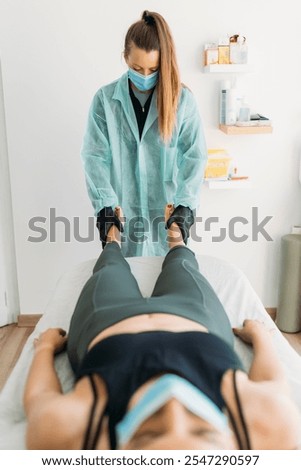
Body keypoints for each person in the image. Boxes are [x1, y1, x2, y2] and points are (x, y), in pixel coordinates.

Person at [24, 205, 301, 450]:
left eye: (149, 432)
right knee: (183, 263)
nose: (172, 409)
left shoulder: (71, 432)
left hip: (107, 320)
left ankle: (111, 237)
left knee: (109, 268)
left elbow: (40, 398)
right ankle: (177, 234)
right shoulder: (271, 428)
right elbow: (271, 384)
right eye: (201, 428)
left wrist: (46, 347)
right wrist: (261, 336)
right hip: (195, 316)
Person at [80, 10, 207, 257]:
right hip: (122, 221)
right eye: (137, 68)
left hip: (168, 225)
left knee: (169, 282)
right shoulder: (105, 102)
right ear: (125, 58)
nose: (145, 76)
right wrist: (106, 210)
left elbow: (195, 157)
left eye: (153, 69)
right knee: (122, 283)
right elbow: (94, 158)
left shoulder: (182, 102)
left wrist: (184, 210)